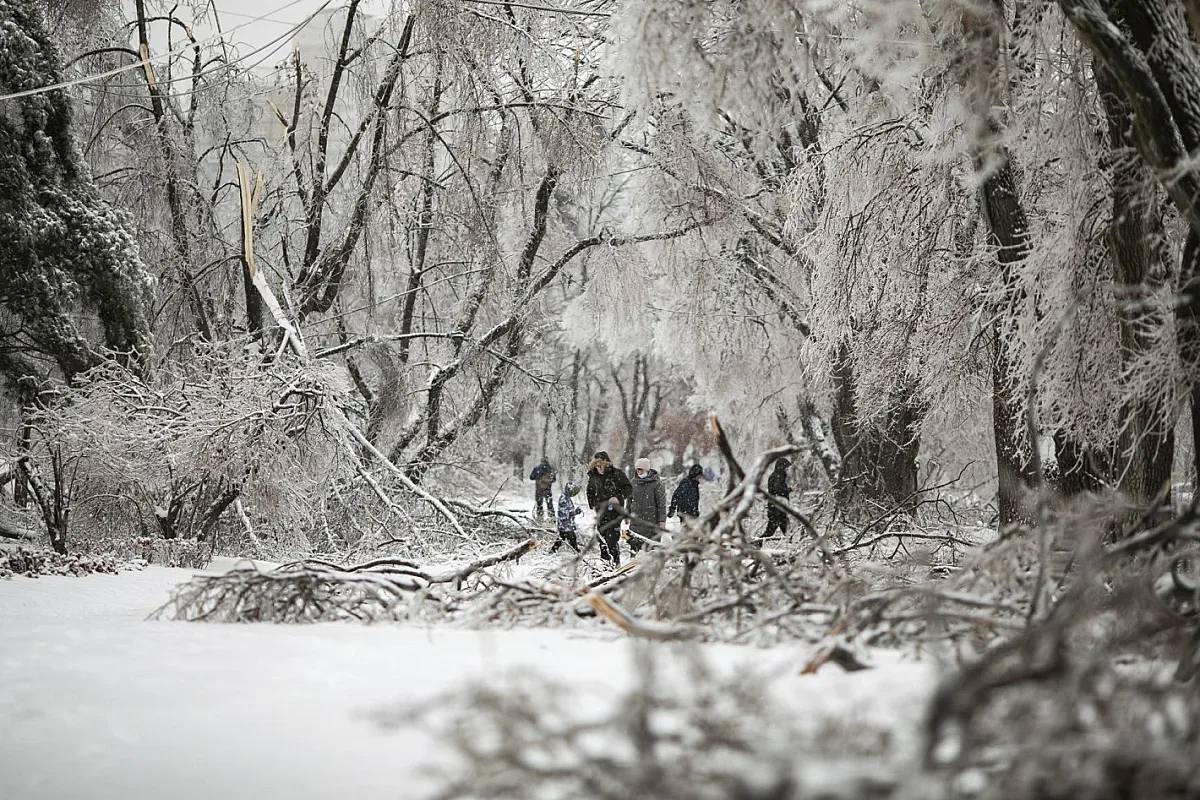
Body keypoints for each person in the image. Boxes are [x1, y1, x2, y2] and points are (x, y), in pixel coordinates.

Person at [586, 450, 631, 566]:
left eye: (601, 465)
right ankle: (605, 563)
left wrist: (618, 497)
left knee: (612, 538)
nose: (599, 468)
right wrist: (593, 503)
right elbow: (590, 491)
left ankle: (616, 562)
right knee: (601, 537)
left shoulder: (617, 474)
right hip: (601, 512)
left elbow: (628, 488)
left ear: (606, 464)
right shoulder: (593, 476)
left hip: (615, 512)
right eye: (596, 466)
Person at [627, 457, 667, 554]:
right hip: (635, 521)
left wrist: (662, 520)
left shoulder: (657, 484)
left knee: (651, 549)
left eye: (641, 469)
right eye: (637, 469)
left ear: (647, 469)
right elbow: (629, 500)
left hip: (651, 521)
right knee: (635, 548)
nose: (639, 472)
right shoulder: (633, 483)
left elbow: (661, 503)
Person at [763, 457, 792, 540]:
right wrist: (789, 489)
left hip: (777, 508)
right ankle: (756, 545)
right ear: (782, 467)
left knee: (786, 531)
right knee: (771, 532)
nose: (787, 470)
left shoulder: (778, 476)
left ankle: (793, 548)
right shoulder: (777, 477)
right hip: (777, 509)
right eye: (786, 467)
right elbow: (778, 490)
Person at [553, 482, 584, 552]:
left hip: (566, 524)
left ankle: (553, 550)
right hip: (565, 525)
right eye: (573, 492)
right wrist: (575, 512)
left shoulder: (567, 497)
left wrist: (575, 511)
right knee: (572, 538)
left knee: (561, 539)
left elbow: (568, 511)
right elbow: (564, 514)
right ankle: (576, 551)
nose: (574, 494)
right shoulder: (563, 499)